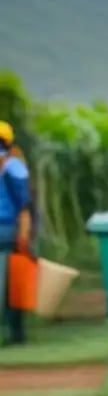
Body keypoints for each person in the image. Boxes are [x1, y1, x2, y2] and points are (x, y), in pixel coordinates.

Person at [0, 121, 33, 346]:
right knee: (9, 284)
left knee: (9, 284)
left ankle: (16, 334)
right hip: (7, 230)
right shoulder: (12, 165)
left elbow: (23, 205)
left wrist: (22, 234)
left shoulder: (13, 167)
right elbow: (24, 206)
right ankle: (15, 334)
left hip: (6, 229)